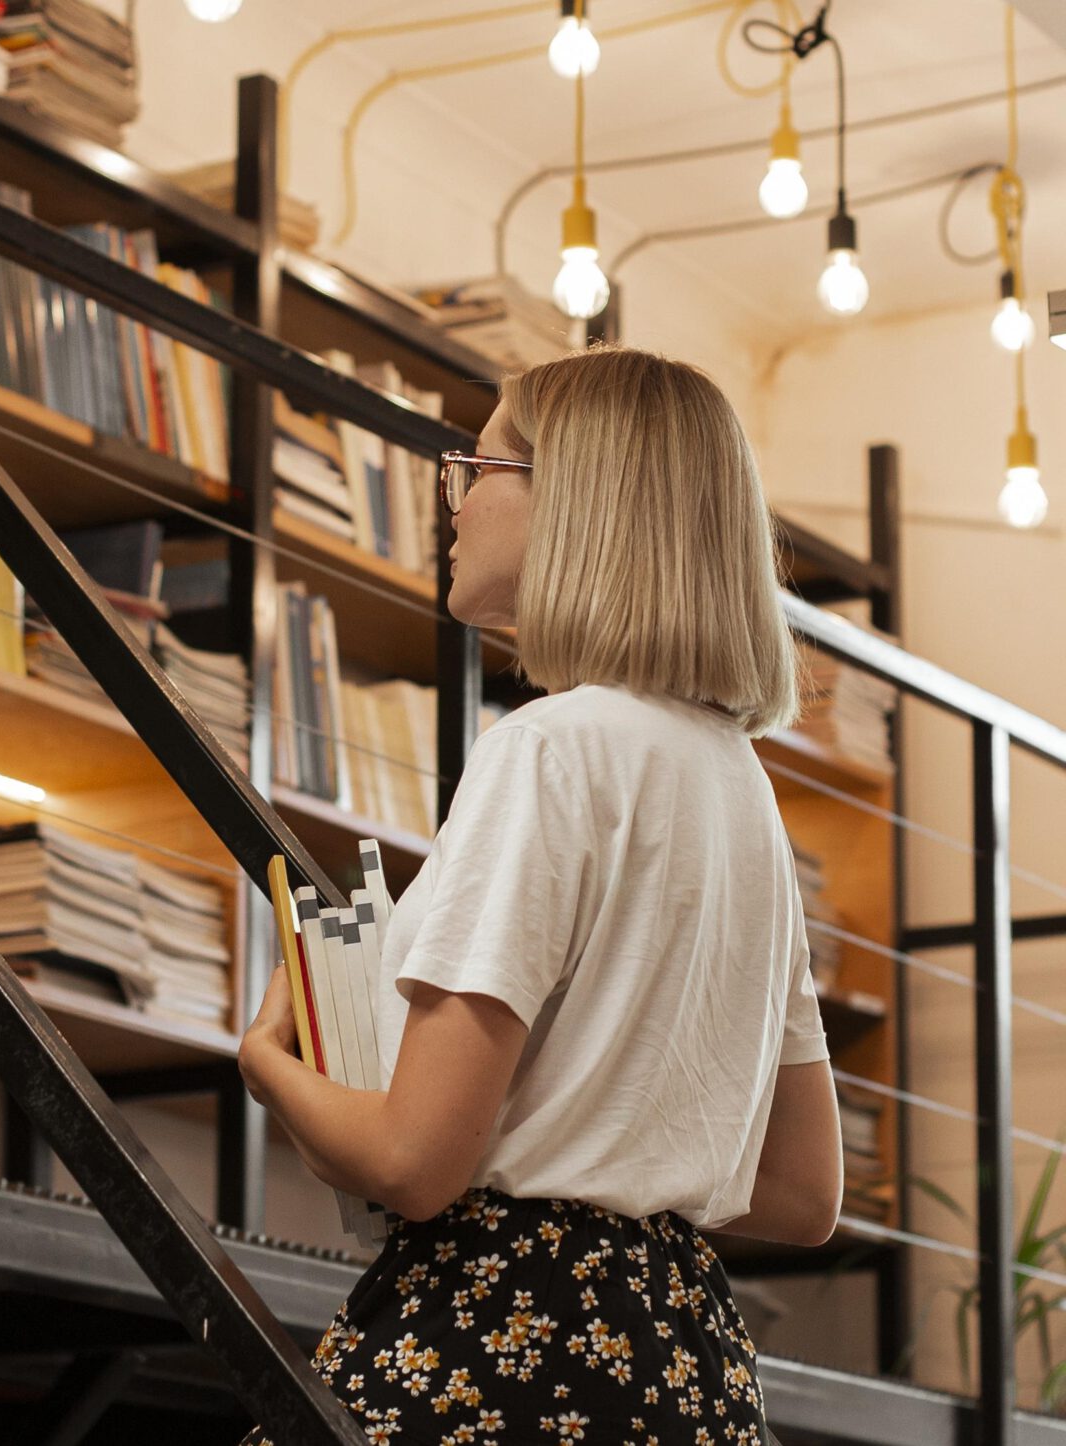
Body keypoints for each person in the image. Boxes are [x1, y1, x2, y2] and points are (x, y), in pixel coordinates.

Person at [235, 345, 841, 1446]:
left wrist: (270, 1065)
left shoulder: (551, 752)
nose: (453, 496)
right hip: (683, 1358)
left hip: (505, 1338)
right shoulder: (741, 791)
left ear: (582, 498)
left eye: (481, 461)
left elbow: (417, 1165)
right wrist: (618, 1152)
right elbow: (805, 1191)